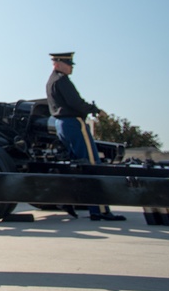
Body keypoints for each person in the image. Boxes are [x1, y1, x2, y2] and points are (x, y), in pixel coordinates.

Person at [45, 52, 125, 222]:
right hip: (73, 123)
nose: (71, 67)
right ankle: (100, 210)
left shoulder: (52, 81)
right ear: (57, 64)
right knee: (92, 164)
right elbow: (76, 103)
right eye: (68, 64)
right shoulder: (62, 81)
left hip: (61, 124)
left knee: (77, 166)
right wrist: (95, 110)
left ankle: (68, 199)